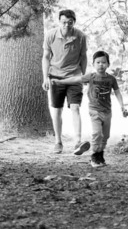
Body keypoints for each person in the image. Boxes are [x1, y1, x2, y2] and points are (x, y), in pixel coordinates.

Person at [62, 49, 128, 167]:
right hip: (94, 110)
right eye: (98, 62)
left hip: (107, 111)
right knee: (97, 133)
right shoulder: (91, 77)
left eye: (103, 62)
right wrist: (60, 81)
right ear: (93, 64)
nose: (101, 65)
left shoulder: (111, 79)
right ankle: (93, 157)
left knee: (105, 136)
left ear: (108, 64)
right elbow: (76, 79)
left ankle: (100, 156)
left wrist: (122, 106)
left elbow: (118, 93)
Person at [41, 9, 88, 154]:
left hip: (74, 76)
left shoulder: (80, 36)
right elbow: (46, 57)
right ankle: (58, 142)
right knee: (57, 110)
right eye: (63, 22)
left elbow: (83, 56)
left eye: (70, 22)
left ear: (74, 22)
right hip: (56, 77)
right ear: (59, 21)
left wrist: (83, 76)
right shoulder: (51, 35)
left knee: (75, 108)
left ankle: (78, 142)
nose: (66, 25)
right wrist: (45, 78)